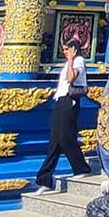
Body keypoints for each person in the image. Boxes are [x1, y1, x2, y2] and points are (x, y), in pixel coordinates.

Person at [34, 36, 91, 192]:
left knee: (66, 136)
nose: (65, 52)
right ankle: (45, 178)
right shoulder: (68, 63)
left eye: (67, 49)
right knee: (55, 140)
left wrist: (72, 59)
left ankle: (81, 168)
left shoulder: (78, 61)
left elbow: (71, 77)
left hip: (69, 100)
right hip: (60, 100)